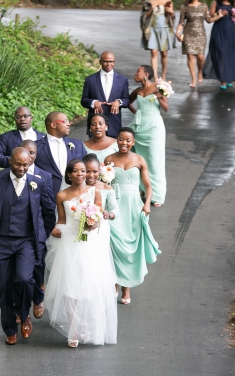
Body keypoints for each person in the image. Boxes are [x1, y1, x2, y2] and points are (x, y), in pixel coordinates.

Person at [0, 148, 56, 345]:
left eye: (25, 164)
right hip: (3, 242)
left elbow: (49, 213)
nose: (22, 168)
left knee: (24, 279)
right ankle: (9, 328)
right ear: (10, 162)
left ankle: (24, 316)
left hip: (27, 242)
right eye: (17, 164)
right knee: (5, 287)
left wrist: (41, 237)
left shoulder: (38, 183)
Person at [44, 159, 117, 348]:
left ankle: (86, 324)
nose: (80, 174)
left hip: (90, 243)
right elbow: (61, 220)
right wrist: (55, 230)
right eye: (75, 171)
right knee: (70, 288)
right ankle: (73, 330)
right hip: (69, 244)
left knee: (88, 285)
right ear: (69, 174)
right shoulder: (61, 195)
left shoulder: (95, 192)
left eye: (83, 171)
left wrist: (91, 224)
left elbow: (98, 217)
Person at [104, 128, 161, 305]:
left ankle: (126, 288)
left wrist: (146, 204)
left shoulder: (139, 159)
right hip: (115, 205)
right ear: (117, 141)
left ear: (133, 142)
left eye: (128, 140)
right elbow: (104, 184)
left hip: (135, 206)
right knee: (113, 245)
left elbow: (148, 186)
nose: (124, 143)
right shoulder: (109, 159)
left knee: (132, 248)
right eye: (121, 139)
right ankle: (114, 283)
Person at [19, 139, 53, 318]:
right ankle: (19, 307)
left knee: (37, 269)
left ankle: (38, 298)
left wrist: (44, 233)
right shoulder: (10, 174)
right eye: (25, 151)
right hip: (17, 234)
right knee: (21, 274)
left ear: (36, 154)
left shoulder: (44, 176)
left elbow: (48, 209)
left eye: (31, 152)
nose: (29, 155)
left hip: (37, 233)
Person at [128, 65, 168, 206]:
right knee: (139, 160)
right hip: (139, 127)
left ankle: (157, 195)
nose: (135, 74)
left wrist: (160, 98)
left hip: (154, 128)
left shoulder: (158, 87)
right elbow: (128, 102)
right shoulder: (138, 90)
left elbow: (166, 108)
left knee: (154, 161)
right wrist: (137, 113)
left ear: (146, 74)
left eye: (137, 71)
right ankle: (143, 189)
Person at [203, 0, 235, 89]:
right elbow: (210, 16)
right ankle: (223, 80)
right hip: (219, 30)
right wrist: (219, 13)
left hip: (232, 31)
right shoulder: (215, 2)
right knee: (221, 53)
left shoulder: (233, 3)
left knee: (232, 53)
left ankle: (230, 78)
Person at [80, 51, 130, 138]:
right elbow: (83, 100)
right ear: (100, 62)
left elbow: (126, 100)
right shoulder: (90, 80)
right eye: (106, 61)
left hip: (114, 126)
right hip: (95, 127)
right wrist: (93, 102)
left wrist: (119, 102)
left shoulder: (123, 80)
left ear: (114, 62)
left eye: (111, 61)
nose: (108, 64)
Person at [34, 112, 87, 193]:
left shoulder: (78, 144)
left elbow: (87, 167)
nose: (68, 124)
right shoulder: (36, 147)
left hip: (75, 194)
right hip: (47, 194)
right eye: (65, 121)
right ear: (53, 125)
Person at [175, 0, 214, 88]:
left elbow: (209, 20)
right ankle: (193, 79)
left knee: (200, 57)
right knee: (190, 56)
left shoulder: (203, 6)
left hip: (200, 34)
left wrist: (220, 16)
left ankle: (200, 71)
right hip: (188, 34)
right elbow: (181, 22)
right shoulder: (185, 7)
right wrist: (178, 32)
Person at [140, 0, 176, 81]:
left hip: (164, 29)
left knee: (164, 53)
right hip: (152, 29)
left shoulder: (168, 1)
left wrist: (171, 12)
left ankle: (163, 75)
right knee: (154, 52)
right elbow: (143, 17)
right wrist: (151, 10)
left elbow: (172, 17)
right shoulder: (148, 2)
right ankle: (155, 77)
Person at [83, 153, 119, 221]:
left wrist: (109, 214)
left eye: (95, 171)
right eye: (87, 171)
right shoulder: (78, 186)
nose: (91, 175)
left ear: (99, 171)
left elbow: (115, 209)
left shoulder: (106, 188)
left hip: (100, 224)